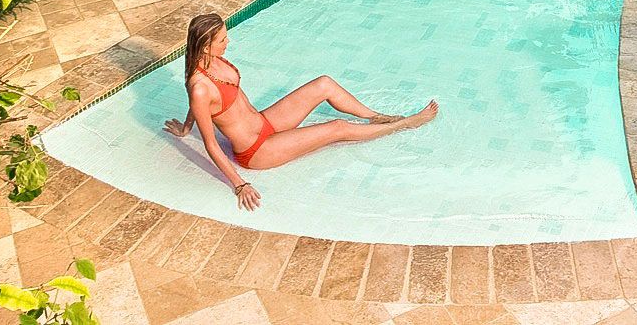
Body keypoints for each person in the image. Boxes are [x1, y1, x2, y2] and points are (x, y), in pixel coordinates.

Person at [164, 14, 438, 210]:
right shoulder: (199, 87)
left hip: (264, 122)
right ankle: (406, 124)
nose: (228, 42)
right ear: (206, 45)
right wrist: (239, 185)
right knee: (337, 128)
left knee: (324, 84)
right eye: (223, 39)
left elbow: (199, 107)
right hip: (257, 150)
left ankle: (374, 115)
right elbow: (211, 144)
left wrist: (187, 128)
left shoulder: (215, 60)